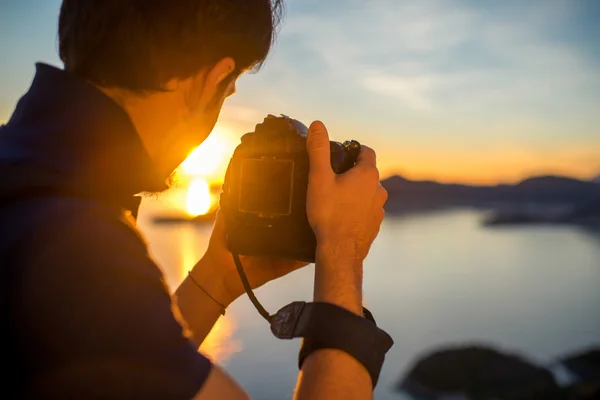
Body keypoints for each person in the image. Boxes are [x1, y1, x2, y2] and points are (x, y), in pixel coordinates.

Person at [0, 1, 388, 399]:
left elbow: (114, 353)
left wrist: (216, 278)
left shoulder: (25, 185)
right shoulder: (78, 250)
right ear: (213, 80)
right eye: (228, 90)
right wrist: (342, 255)